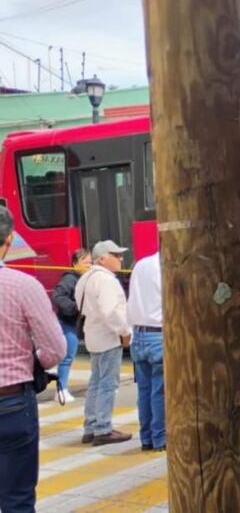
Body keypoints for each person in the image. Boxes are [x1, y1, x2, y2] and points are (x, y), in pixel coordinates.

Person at [0, 205, 66, 511]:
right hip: (12, 403)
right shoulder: (24, 286)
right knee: (17, 500)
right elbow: (56, 348)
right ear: (10, 239)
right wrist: (34, 359)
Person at [76, 240, 133, 446]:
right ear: (102, 258)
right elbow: (111, 311)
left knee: (95, 382)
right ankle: (103, 428)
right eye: (115, 255)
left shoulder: (85, 278)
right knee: (108, 384)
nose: (120, 258)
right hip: (108, 337)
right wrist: (124, 332)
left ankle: (90, 426)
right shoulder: (106, 280)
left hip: (93, 335)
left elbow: (81, 306)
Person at [127, 252, 166, 452]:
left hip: (138, 333)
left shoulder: (141, 264)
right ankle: (160, 438)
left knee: (144, 390)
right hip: (158, 334)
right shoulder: (167, 266)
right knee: (160, 391)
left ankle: (147, 438)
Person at [51, 247, 91, 403]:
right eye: (85, 262)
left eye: (90, 262)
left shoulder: (86, 278)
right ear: (75, 263)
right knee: (67, 357)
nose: (88, 265)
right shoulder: (69, 279)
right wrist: (75, 308)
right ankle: (61, 390)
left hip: (78, 324)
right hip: (69, 323)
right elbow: (57, 296)